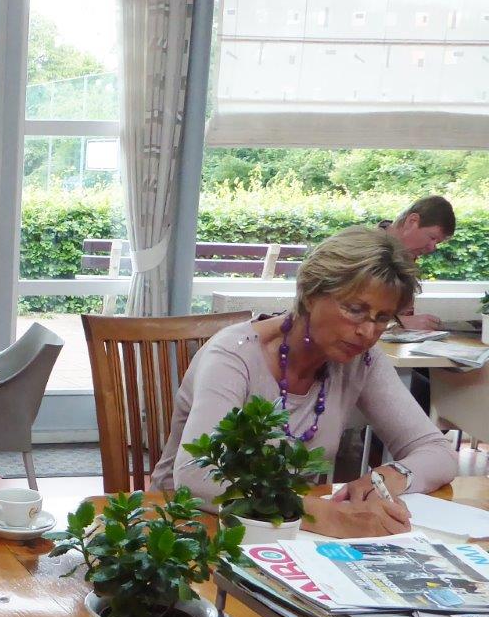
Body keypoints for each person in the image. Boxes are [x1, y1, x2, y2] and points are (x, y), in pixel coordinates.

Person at [151, 227, 457, 539]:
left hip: (290, 536)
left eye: (382, 318)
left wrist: (391, 475)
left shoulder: (361, 361)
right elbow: (197, 477)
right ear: (310, 295)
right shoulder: (234, 355)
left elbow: (438, 451)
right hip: (189, 527)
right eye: (355, 310)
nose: (368, 332)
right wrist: (330, 517)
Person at [375, 195, 457, 330]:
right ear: (412, 221)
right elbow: (346, 310)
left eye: (437, 242)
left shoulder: (406, 254)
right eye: (432, 237)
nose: (432, 248)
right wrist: (398, 322)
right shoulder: (365, 251)